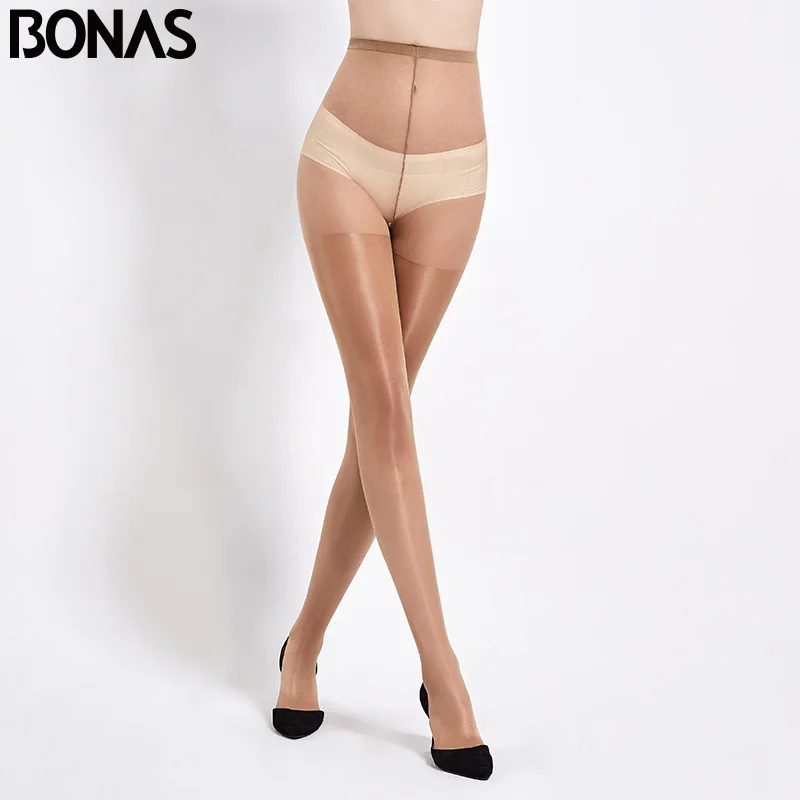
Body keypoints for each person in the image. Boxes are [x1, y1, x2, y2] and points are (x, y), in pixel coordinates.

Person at [272, 1, 493, 781]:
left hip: (453, 175)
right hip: (345, 159)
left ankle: (302, 645)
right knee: (388, 416)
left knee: (377, 426)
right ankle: (445, 679)